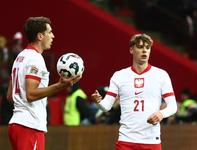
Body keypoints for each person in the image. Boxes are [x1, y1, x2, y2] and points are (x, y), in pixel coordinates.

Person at [6, 16, 81, 150]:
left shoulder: (20, 57)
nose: (53, 36)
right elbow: (30, 94)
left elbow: (10, 96)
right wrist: (60, 85)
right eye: (50, 32)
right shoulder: (36, 58)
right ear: (40, 36)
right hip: (29, 126)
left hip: (17, 124)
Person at [91, 33, 177, 150]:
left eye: (147, 47)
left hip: (152, 140)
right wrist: (99, 102)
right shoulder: (119, 76)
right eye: (140, 47)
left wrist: (161, 114)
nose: (144, 51)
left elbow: (173, 106)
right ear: (131, 50)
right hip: (126, 140)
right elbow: (106, 107)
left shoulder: (161, 75)